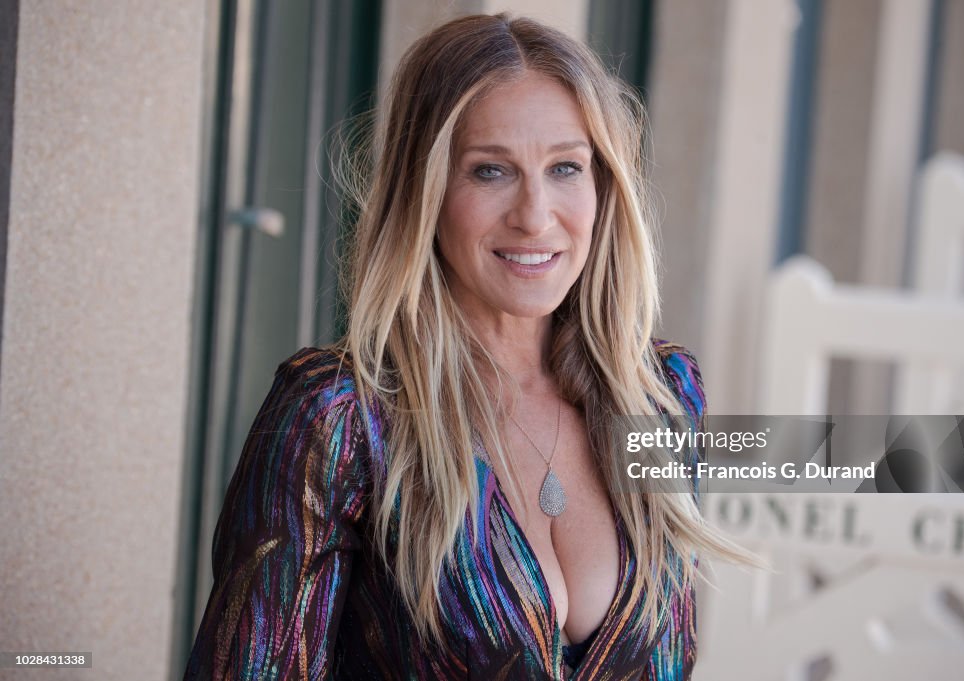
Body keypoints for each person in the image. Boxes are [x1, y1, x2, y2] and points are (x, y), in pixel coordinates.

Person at [184, 13, 752, 680]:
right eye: (491, 171)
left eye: (566, 166)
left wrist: (899, 459)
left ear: (604, 186)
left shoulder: (659, 395)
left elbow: (853, 458)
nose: (536, 215)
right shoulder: (342, 418)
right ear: (425, 192)